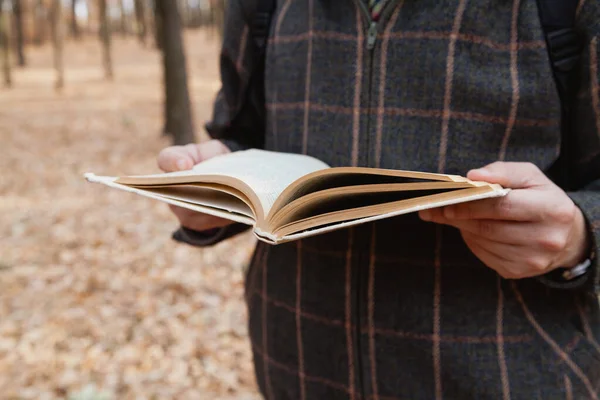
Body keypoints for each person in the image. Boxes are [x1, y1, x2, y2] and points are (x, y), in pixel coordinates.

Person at [157, 0, 600, 398]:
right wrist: (217, 182)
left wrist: (579, 234)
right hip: (294, 366)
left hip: (514, 374)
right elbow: (243, 135)